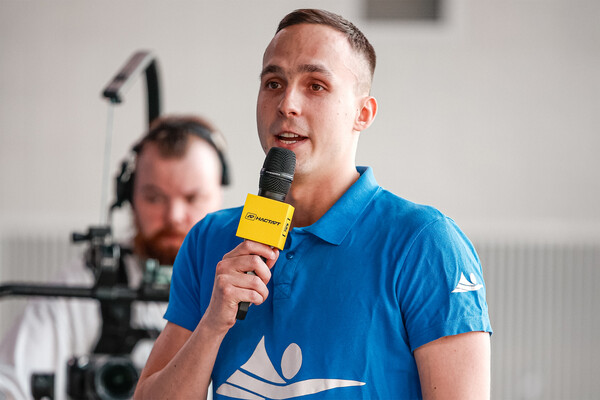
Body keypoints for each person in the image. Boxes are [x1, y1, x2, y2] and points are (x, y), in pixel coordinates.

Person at [135, 9, 492, 400]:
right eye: (273, 83)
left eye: (316, 86)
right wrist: (212, 325)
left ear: (363, 113)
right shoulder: (209, 239)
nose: (287, 104)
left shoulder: (426, 243)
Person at [0, 114, 229, 400]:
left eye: (192, 198)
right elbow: (9, 385)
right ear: (129, 197)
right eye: (154, 197)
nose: (173, 216)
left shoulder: (251, 284)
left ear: (219, 196)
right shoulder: (84, 285)